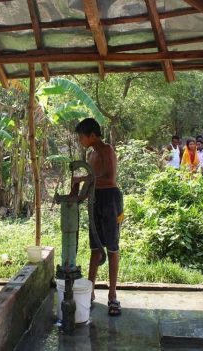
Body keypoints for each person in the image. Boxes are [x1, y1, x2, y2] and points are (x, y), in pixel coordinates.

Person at [73, 118, 123, 316]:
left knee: (111, 248)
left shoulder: (106, 150)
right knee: (95, 248)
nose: (80, 140)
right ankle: (90, 292)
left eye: (82, 137)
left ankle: (112, 295)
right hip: (95, 200)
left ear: (93, 135)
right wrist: (76, 197)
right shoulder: (91, 155)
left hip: (110, 199)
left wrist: (85, 178)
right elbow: (89, 183)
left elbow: (109, 177)